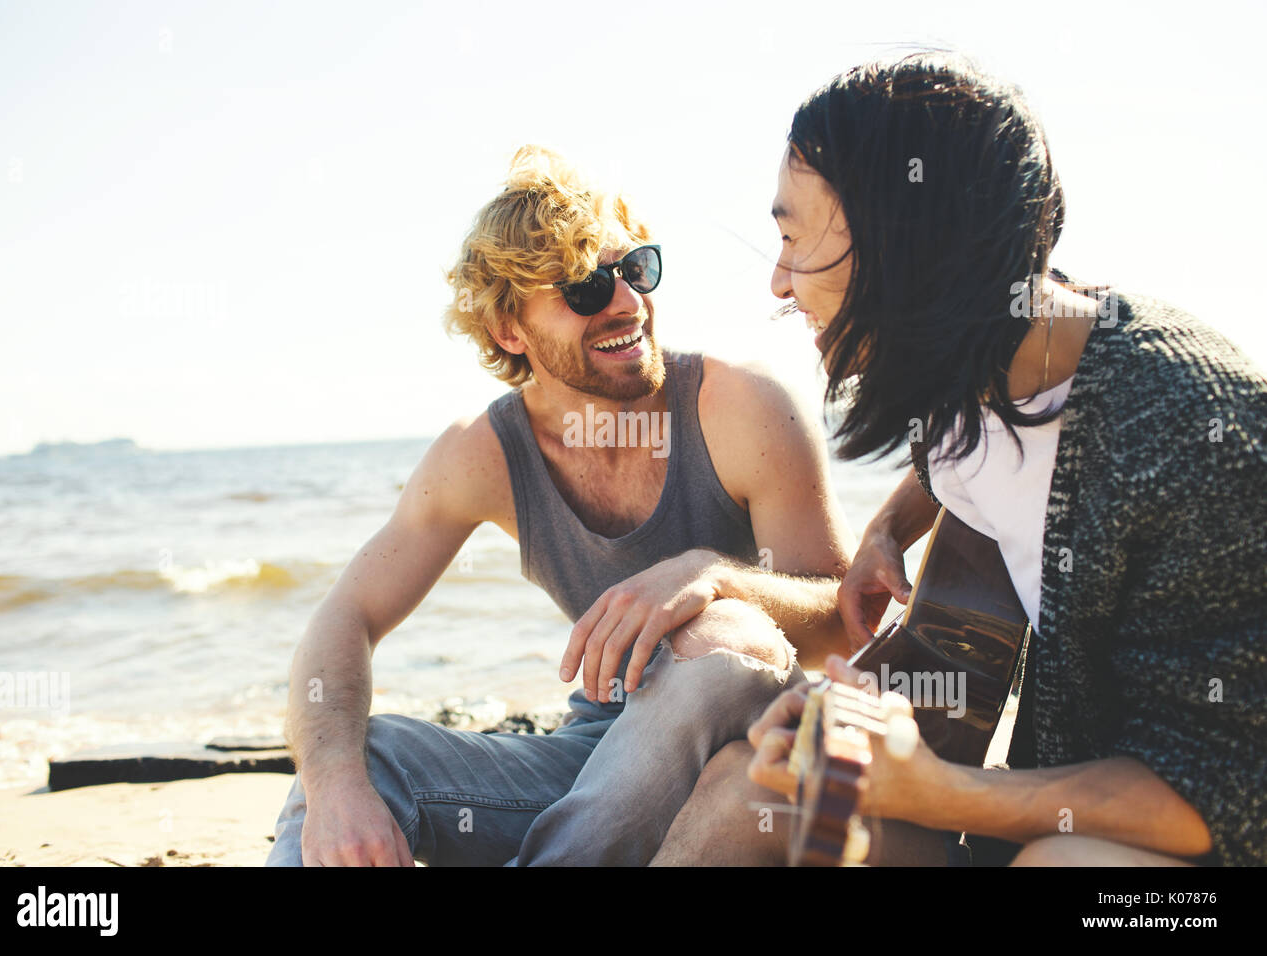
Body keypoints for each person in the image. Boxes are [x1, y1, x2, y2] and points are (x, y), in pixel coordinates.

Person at [676, 52, 1266, 866]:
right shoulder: (973, 364)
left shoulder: (1193, 434)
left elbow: (1220, 792)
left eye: (791, 238)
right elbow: (959, 460)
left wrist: (933, 792)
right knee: (756, 791)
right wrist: (886, 534)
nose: (778, 282)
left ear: (907, 245)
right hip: (1036, 810)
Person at [264, 145, 857, 866]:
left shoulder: (741, 408)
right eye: (583, 288)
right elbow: (345, 618)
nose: (628, 303)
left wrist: (713, 576)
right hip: (595, 759)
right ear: (509, 331)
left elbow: (846, 623)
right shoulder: (484, 454)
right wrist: (333, 789)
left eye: (636, 269)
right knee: (363, 760)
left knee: (725, 633)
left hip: (748, 750)